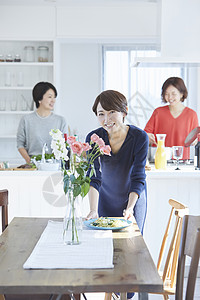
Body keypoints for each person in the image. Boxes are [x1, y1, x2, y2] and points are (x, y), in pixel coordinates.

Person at [85, 90, 148, 299]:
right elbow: (93, 177)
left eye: (112, 112)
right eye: (101, 113)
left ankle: (127, 296)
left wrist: (129, 209)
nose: (106, 119)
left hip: (134, 199)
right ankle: (111, 294)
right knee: (107, 251)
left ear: (124, 112)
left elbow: (138, 177)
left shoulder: (139, 137)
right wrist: (93, 209)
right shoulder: (94, 138)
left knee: (130, 251)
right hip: (106, 197)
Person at [144, 77, 199, 160]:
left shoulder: (191, 115)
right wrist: (147, 136)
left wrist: (195, 141)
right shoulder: (158, 112)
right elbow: (145, 134)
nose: (170, 97)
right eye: (166, 94)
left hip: (183, 162)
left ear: (181, 94)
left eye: (173, 94)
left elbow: (196, 137)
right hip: (161, 160)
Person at [17, 82, 67, 164]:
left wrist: (53, 162)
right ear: (39, 99)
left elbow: (64, 144)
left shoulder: (61, 120)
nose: (53, 100)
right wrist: (30, 162)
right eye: (50, 97)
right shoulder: (26, 120)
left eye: (54, 97)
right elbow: (20, 144)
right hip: (33, 165)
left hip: (55, 166)